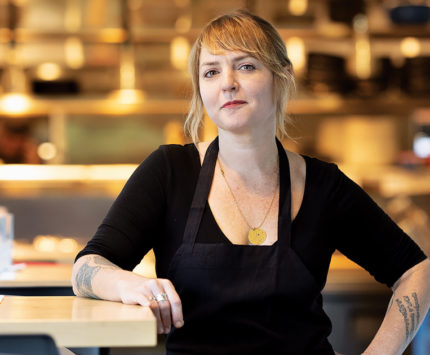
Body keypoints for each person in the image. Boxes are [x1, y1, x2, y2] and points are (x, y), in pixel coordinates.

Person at [72, 10, 430, 354]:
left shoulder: (324, 185)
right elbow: (88, 267)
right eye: (211, 72)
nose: (228, 83)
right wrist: (130, 283)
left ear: (282, 77)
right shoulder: (170, 171)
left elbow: (416, 269)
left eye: (246, 66)